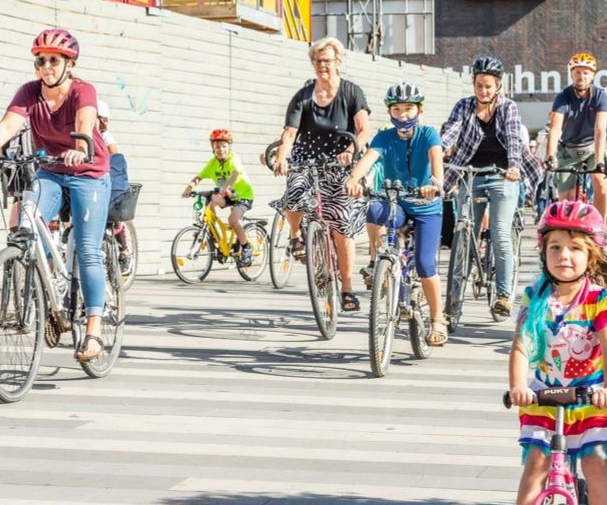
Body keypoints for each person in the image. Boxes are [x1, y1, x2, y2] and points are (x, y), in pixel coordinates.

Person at [0, 28, 110, 362]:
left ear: (69, 64)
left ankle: (93, 329)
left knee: (88, 250)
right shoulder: (29, 92)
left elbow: (84, 122)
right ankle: (46, 288)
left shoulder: (82, 90)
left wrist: (79, 147)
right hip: (51, 172)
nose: (46, 66)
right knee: (27, 221)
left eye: (54, 60)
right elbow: (7, 125)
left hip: (88, 173)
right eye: (40, 60)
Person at [508, 200, 607, 505]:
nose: (564, 255)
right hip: (545, 395)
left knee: (595, 463)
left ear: (591, 255)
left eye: (575, 248)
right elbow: (521, 346)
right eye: (555, 247)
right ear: (543, 251)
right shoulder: (535, 296)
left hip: (591, 396)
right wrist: (519, 387)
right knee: (536, 464)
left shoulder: (596, 299)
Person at [272, 37, 371, 312]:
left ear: (337, 62)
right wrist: (282, 155)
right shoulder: (303, 95)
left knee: (341, 225)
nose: (321, 66)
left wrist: (352, 150)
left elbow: (364, 130)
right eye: (317, 61)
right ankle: (296, 236)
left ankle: (347, 288)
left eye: (326, 60)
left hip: (341, 160)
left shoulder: (351, 92)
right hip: (307, 157)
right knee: (293, 192)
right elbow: (290, 132)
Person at [346, 82, 448, 346]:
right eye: (398, 109)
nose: (403, 114)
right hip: (397, 202)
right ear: (390, 111)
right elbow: (368, 158)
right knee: (374, 210)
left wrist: (434, 185)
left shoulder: (429, 134)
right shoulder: (384, 137)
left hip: (426, 206)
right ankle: (379, 260)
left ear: (419, 110)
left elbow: (437, 165)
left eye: (409, 108)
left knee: (425, 264)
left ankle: (438, 318)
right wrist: (354, 179)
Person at [440, 56, 542, 319]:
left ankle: (504, 295)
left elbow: (512, 138)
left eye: (488, 86)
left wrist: (514, 166)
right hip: (469, 174)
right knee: (463, 233)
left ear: (498, 85)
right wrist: (438, 150)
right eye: (478, 85)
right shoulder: (463, 106)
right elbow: (451, 131)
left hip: (502, 175)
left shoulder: (507, 107)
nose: (483, 91)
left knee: (499, 232)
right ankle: (452, 300)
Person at [544, 53, 607, 228]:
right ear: (571, 74)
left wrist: (599, 162)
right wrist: (550, 156)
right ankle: (567, 229)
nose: (581, 76)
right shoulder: (563, 97)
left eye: (585, 72)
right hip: (569, 150)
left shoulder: (601, 96)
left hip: (592, 148)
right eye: (577, 72)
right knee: (564, 197)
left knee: (600, 184)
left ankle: (600, 227)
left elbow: (600, 130)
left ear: (592, 75)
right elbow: (555, 128)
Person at [182, 129, 256, 267]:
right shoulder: (212, 163)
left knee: (232, 219)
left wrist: (225, 187)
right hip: (227, 195)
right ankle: (212, 231)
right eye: (217, 147)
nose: (220, 149)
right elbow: (199, 177)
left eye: (224, 146)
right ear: (213, 149)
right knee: (212, 201)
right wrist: (189, 187)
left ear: (229, 147)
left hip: (243, 195)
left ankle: (246, 247)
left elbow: (234, 175)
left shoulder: (234, 159)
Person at [98, 100, 133, 272]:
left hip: (106, 178)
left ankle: (125, 250)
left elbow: (116, 157)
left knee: (115, 218)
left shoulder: (106, 137)